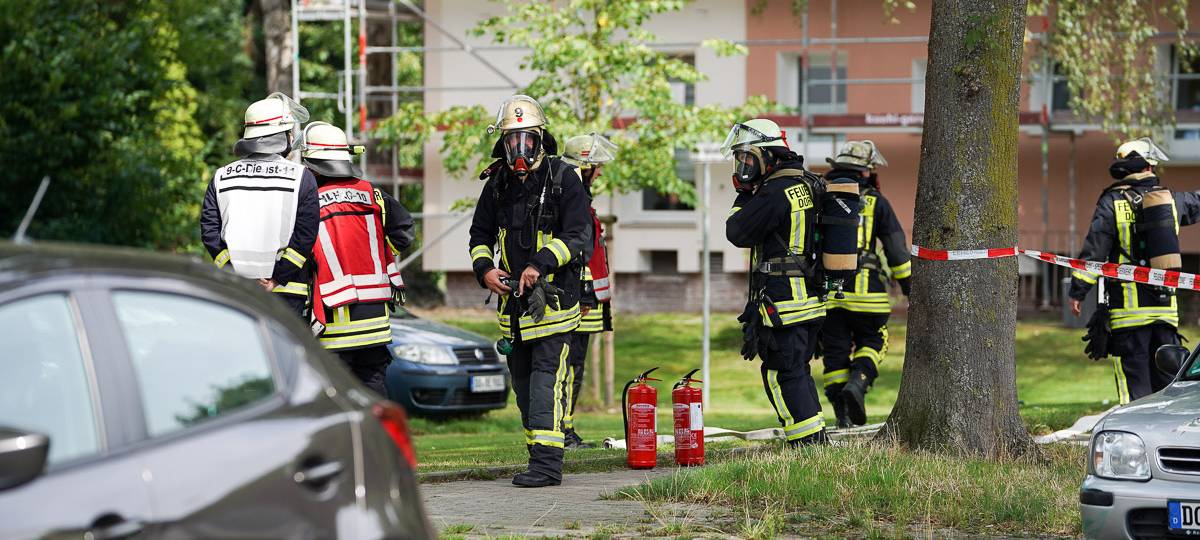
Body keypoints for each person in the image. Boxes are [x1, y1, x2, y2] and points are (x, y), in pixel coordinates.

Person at [468, 95, 591, 487]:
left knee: (545, 381)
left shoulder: (563, 179)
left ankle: (546, 467)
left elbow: (577, 236)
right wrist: (485, 269)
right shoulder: (497, 184)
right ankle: (537, 453)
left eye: (527, 142)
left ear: (541, 140)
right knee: (522, 386)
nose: (520, 151)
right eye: (512, 142)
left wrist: (540, 264)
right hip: (513, 308)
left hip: (554, 303)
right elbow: (479, 236)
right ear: (503, 144)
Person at [724, 118, 861, 447]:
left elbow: (737, 232)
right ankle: (815, 441)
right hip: (811, 299)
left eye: (748, 160)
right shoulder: (810, 183)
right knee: (796, 370)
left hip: (784, 302)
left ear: (767, 157)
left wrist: (742, 195)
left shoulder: (774, 192)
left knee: (781, 373)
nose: (743, 168)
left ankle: (805, 446)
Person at [1069, 137, 1200, 403]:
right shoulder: (1170, 199)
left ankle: (1134, 432)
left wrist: (1078, 291)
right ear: (1149, 167)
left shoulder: (1112, 202)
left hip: (1128, 313)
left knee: (1135, 383)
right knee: (1169, 379)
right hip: (1165, 310)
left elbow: (1095, 250)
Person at [301, 121, 413, 395]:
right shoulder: (372, 194)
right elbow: (404, 231)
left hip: (335, 317)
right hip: (376, 318)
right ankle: (378, 438)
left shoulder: (310, 200)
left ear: (313, 164)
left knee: (335, 394)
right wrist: (377, 255)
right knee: (374, 390)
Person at [201, 93, 319, 316]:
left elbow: (210, 234)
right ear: (282, 134)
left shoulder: (221, 176)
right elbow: (305, 237)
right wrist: (276, 277)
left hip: (238, 292)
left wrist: (235, 273)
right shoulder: (301, 177)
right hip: (288, 292)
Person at [819, 141, 911, 428]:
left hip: (828, 294)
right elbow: (896, 251)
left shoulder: (820, 196)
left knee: (834, 351)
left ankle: (841, 415)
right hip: (867, 294)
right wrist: (909, 287)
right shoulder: (876, 202)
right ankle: (857, 384)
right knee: (874, 340)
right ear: (867, 172)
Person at [559, 133, 619, 449]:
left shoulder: (579, 196)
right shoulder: (573, 199)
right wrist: (583, 294)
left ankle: (567, 427)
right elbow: (577, 250)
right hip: (577, 296)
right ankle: (563, 429)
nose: (599, 172)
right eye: (595, 166)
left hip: (584, 295)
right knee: (568, 363)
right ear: (583, 166)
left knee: (575, 364)